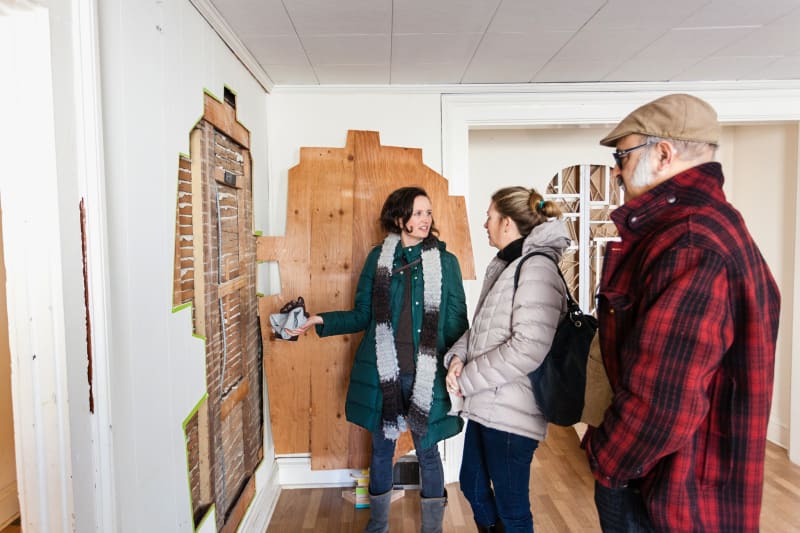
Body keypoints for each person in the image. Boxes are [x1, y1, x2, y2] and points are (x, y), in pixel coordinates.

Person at [584, 93, 781, 532]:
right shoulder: (711, 226)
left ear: (663, 153)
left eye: (621, 155)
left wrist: (605, 458)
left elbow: (663, 401)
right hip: (683, 489)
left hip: (664, 498)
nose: (615, 169)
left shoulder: (689, 242)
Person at [287, 186, 468, 533]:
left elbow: (458, 323)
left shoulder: (446, 263)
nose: (425, 219)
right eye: (417, 213)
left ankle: (433, 529)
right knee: (382, 451)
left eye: (428, 213)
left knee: (428, 452)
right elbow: (362, 315)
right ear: (399, 217)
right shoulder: (378, 258)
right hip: (384, 372)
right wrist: (318, 320)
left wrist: (457, 365)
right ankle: (378, 525)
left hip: (426, 376)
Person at [445, 186, 570, 533]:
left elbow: (528, 347)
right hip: (487, 402)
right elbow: (483, 327)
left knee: (512, 509)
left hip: (513, 411)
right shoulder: (506, 265)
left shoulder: (537, 269)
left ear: (507, 222)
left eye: (489, 216)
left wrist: (466, 379)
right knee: (471, 484)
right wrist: (457, 358)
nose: (484, 223)